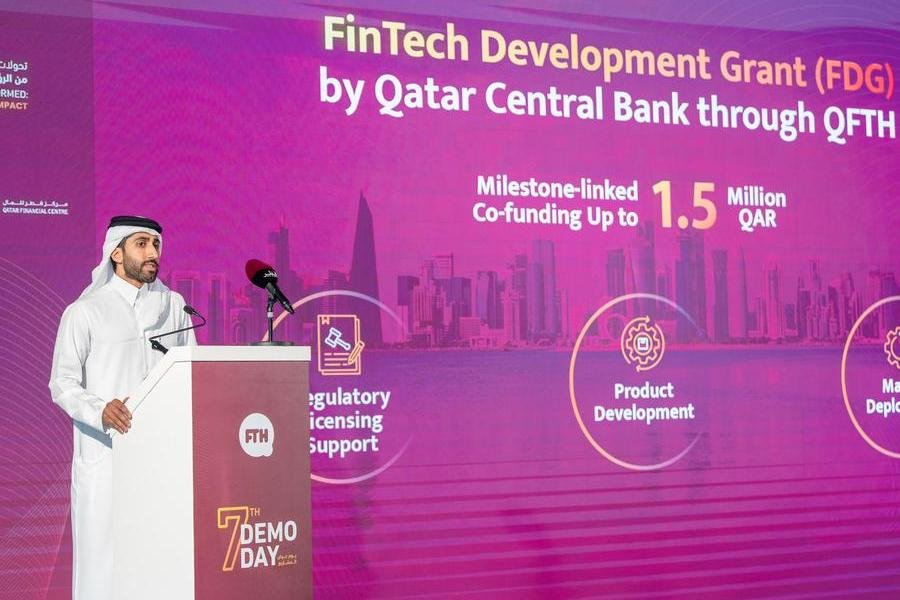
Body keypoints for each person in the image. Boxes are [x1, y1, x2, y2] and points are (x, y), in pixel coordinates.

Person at [49, 215, 197, 600]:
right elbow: (62, 383)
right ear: (116, 253)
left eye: (156, 244)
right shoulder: (86, 311)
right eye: (142, 244)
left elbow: (190, 372)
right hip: (106, 459)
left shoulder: (174, 306)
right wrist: (100, 410)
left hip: (161, 461)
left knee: (161, 559)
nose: (153, 253)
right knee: (103, 567)